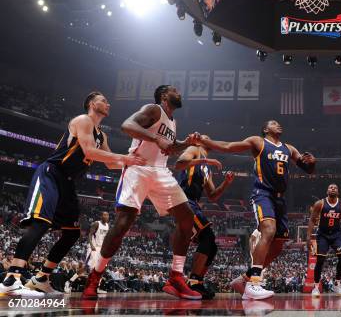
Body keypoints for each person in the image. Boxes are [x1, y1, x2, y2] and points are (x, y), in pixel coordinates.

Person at [0, 92, 144, 297]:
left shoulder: (102, 135)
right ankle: (11, 279)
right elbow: (88, 152)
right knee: (40, 223)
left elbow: (111, 163)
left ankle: (41, 278)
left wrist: (135, 160)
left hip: (67, 183)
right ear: (92, 104)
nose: (108, 103)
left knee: (72, 233)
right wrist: (125, 158)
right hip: (52, 173)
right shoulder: (83, 120)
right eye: (104, 100)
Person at [82, 85, 202, 300]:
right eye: (174, 90)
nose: (179, 92)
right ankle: (95, 276)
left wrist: (185, 143)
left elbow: (169, 148)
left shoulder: (173, 121)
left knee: (187, 218)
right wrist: (155, 138)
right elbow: (127, 125)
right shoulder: (154, 109)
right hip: (139, 168)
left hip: (161, 171)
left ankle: (176, 276)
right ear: (164, 95)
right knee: (122, 224)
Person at [197, 120, 315, 300]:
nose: (279, 125)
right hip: (263, 194)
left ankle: (243, 280)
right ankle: (254, 282)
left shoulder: (289, 149)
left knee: (278, 246)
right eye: (274, 123)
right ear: (266, 129)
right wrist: (206, 142)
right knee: (268, 230)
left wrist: (312, 162)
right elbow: (228, 146)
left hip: (280, 200)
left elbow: (308, 169)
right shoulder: (258, 142)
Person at [175, 142, 235, 299]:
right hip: (183, 199)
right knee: (207, 237)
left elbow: (213, 195)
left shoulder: (206, 168)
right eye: (205, 137)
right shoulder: (194, 150)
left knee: (212, 246)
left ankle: (198, 282)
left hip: (194, 203)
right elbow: (180, 163)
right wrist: (206, 161)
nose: (209, 139)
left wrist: (226, 183)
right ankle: (192, 282)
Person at [307, 184, 341, 296]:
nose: (332, 188)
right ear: (327, 191)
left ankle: (337, 284)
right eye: (330, 187)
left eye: (335, 187)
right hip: (322, 235)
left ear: (338, 192)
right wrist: (308, 237)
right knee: (320, 260)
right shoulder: (320, 204)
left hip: (336, 235)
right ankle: (315, 287)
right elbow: (312, 220)